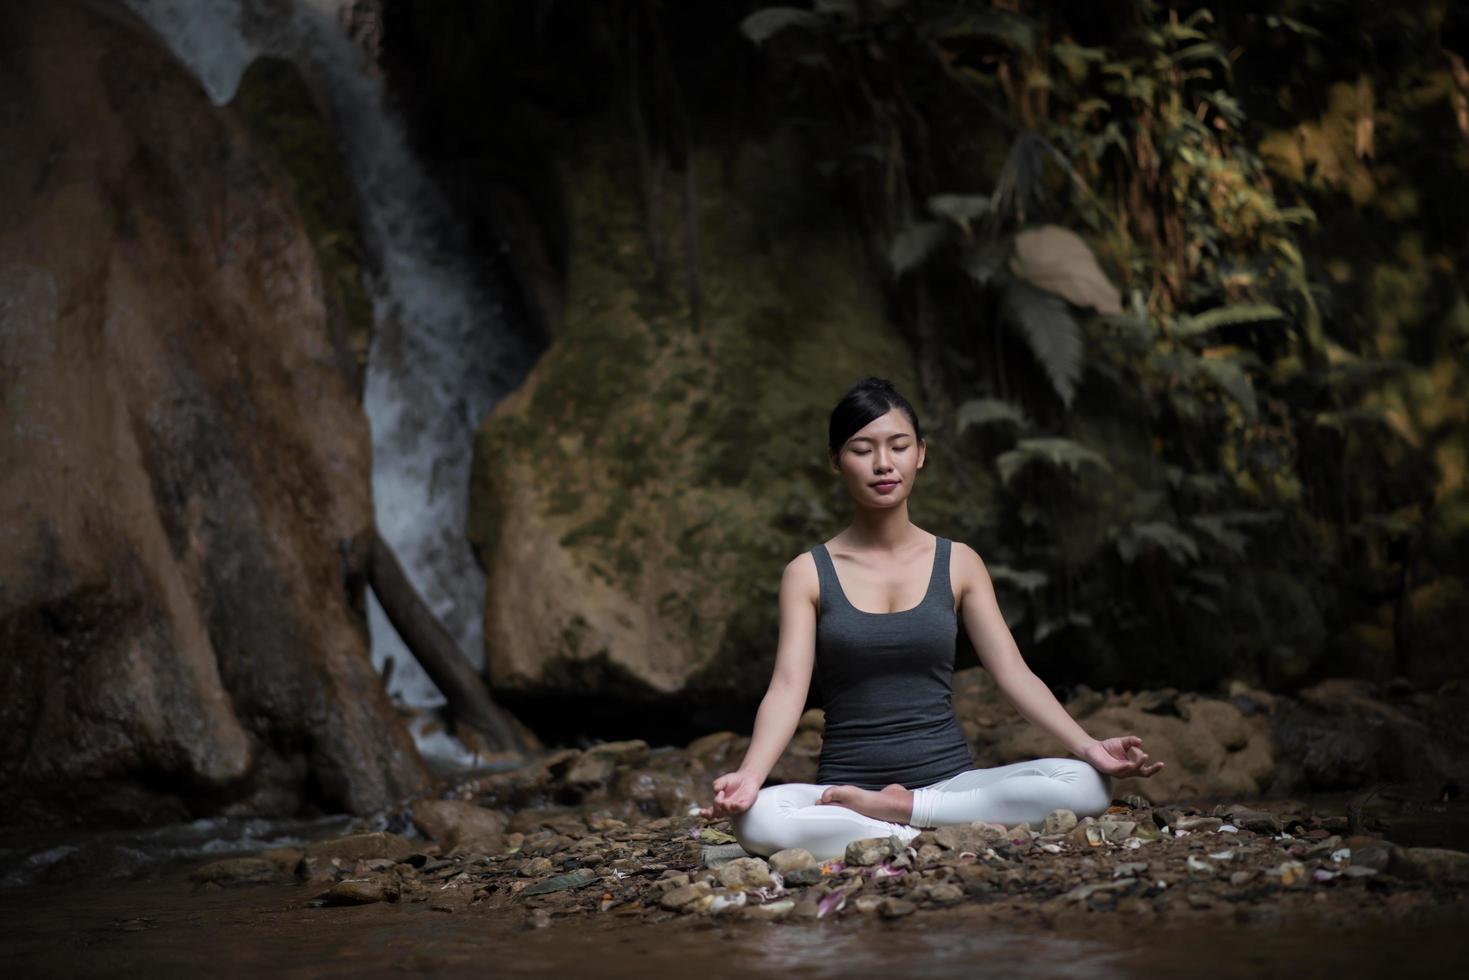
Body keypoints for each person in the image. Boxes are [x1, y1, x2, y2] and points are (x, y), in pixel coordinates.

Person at [696, 377, 1165, 860]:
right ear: (836, 461)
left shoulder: (959, 562)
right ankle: (933, 831)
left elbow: (1012, 673)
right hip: (845, 793)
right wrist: (750, 776)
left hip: (953, 785)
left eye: (898, 446)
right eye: (862, 449)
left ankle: (908, 812)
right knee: (757, 818)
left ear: (920, 453)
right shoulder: (808, 574)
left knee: (1087, 784)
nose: (883, 464)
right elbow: (788, 688)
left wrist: (1088, 746)